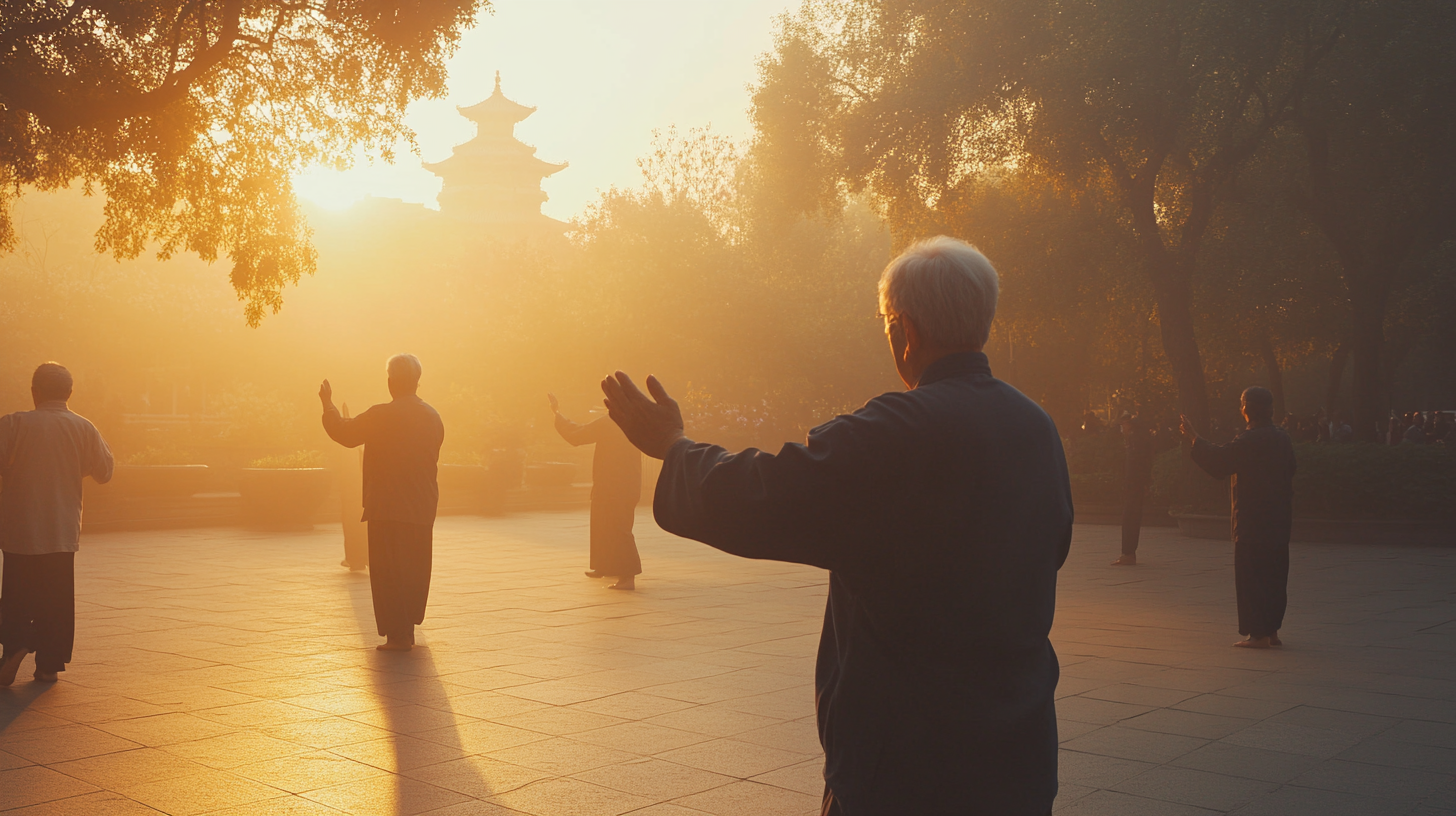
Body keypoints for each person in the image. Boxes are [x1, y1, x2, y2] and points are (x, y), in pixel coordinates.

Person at [602, 236, 1072, 815]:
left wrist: (674, 447)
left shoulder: (893, 430)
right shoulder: (1035, 427)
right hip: (1015, 756)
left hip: (907, 764)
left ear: (905, 330)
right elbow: (1054, 545)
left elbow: (767, 493)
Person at [320, 354, 444, 652]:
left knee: (389, 571)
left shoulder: (381, 415)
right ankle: (408, 628)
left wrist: (328, 405)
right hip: (421, 505)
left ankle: (397, 635)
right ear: (417, 382)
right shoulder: (432, 416)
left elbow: (345, 433)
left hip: (387, 506)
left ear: (390, 383)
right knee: (415, 568)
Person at [0, 363, 114, 685]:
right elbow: (105, 472)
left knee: (17, 593)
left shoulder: (13, 423)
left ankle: (17, 642)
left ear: (34, 392)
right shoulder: (83, 427)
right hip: (62, 529)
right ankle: (49, 665)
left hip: (19, 528)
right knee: (57, 597)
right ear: (69, 393)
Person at [1181, 386, 1296, 649]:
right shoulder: (1282, 438)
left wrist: (1194, 438)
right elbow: (1292, 468)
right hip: (1278, 518)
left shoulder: (1249, 440)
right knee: (1275, 577)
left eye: (1242, 404)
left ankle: (1258, 634)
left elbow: (1220, 461)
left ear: (1247, 409)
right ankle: (1272, 630)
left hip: (1252, 520)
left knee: (1252, 578)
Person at [548, 394, 642, 590]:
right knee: (605, 525)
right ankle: (604, 566)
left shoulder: (609, 422)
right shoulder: (633, 423)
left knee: (617, 529)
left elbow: (577, 434)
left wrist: (557, 414)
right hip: (626, 485)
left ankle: (627, 576)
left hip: (611, 485)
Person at [1113, 413, 1155, 566]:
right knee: (1132, 517)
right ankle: (1129, 552)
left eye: (1123, 425)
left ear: (1129, 425)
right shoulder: (1140, 439)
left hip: (1133, 484)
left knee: (1129, 517)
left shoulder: (1135, 441)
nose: (1122, 428)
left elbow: (1134, 464)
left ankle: (1128, 553)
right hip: (1136, 484)